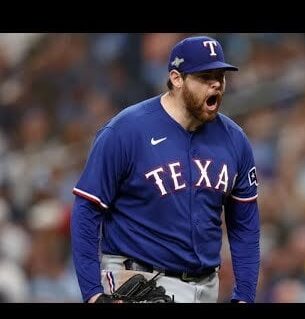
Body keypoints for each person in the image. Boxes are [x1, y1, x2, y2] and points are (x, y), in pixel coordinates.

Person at [70, 35, 260, 303]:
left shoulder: (234, 139)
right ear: (176, 78)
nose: (216, 83)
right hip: (138, 281)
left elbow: (245, 226)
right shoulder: (126, 131)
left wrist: (245, 295)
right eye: (205, 76)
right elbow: (87, 209)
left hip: (206, 286)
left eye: (220, 75)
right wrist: (92, 293)